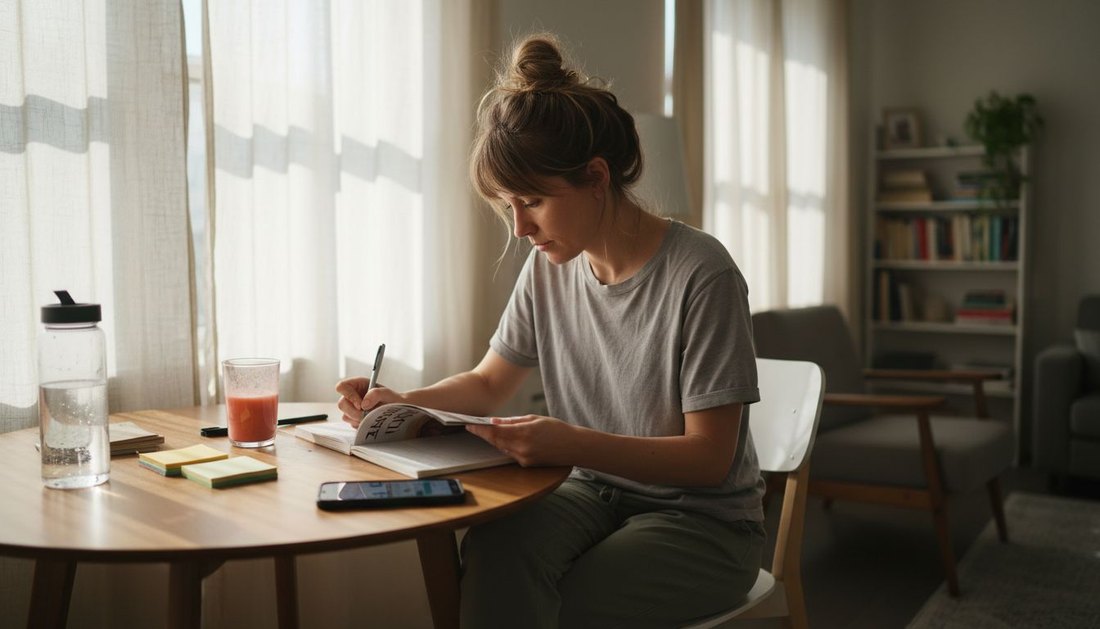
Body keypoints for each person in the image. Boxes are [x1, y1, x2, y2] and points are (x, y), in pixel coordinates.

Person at [336, 33, 764, 629]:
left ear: (595, 176)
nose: (519, 228)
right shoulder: (548, 266)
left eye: (532, 200)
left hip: (704, 521)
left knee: (568, 602)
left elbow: (709, 460)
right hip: (591, 492)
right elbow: (489, 384)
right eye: (508, 204)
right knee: (490, 551)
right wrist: (402, 403)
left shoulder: (703, 273)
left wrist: (569, 443)